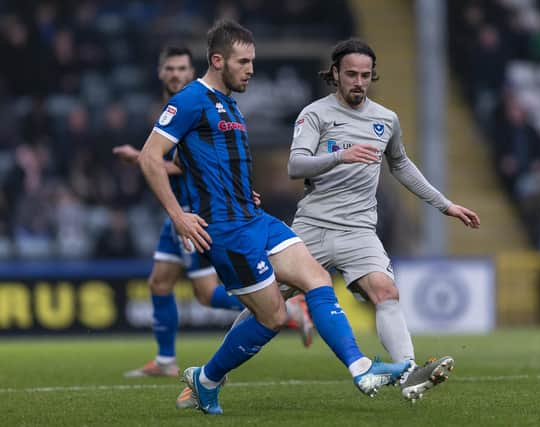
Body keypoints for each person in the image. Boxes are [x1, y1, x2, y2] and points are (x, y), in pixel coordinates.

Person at [138, 20, 412, 415]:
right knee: (272, 318)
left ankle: (362, 368)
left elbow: (192, 156)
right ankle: (206, 378)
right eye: (243, 62)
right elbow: (151, 156)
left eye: (252, 61)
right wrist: (179, 214)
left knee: (316, 278)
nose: (251, 69)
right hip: (227, 233)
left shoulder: (228, 102)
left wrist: (232, 185)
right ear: (217, 60)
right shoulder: (189, 100)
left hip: (255, 218)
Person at [286, 38, 481, 402]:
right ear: (334, 74)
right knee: (264, 304)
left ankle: (409, 372)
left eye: (365, 75)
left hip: (358, 230)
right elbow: (295, 166)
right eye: (351, 75)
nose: (359, 82)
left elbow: (401, 165)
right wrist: (340, 155)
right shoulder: (315, 114)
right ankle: (210, 378)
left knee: (386, 292)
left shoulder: (386, 119)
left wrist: (445, 205)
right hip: (312, 225)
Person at [114, 46, 313, 383]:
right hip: (176, 213)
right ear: (160, 73)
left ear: (193, 72)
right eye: (170, 69)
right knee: (159, 282)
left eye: (182, 69)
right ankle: (165, 359)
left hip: (199, 214)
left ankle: (287, 310)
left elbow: (185, 166)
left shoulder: (198, 105)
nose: (176, 74)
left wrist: (138, 157)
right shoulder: (174, 109)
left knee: (206, 293)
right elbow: (180, 162)